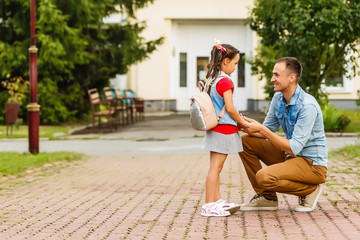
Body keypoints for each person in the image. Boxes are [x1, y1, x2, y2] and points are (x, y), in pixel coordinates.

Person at [239, 57, 327, 212]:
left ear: (291, 78)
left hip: (312, 164)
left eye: (276, 75)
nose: (272, 79)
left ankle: (310, 190)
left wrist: (263, 130)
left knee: (263, 177)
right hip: (290, 156)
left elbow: (294, 147)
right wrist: (244, 125)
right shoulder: (278, 98)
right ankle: (267, 198)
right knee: (245, 141)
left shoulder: (308, 106)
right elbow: (266, 129)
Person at [201, 40, 248, 217]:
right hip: (224, 129)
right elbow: (230, 108)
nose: (236, 67)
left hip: (214, 128)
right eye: (235, 63)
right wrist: (241, 121)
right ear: (226, 61)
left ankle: (217, 201)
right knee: (216, 168)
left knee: (215, 167)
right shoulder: (225, 81)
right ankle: (208, 205)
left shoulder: (212, 79)